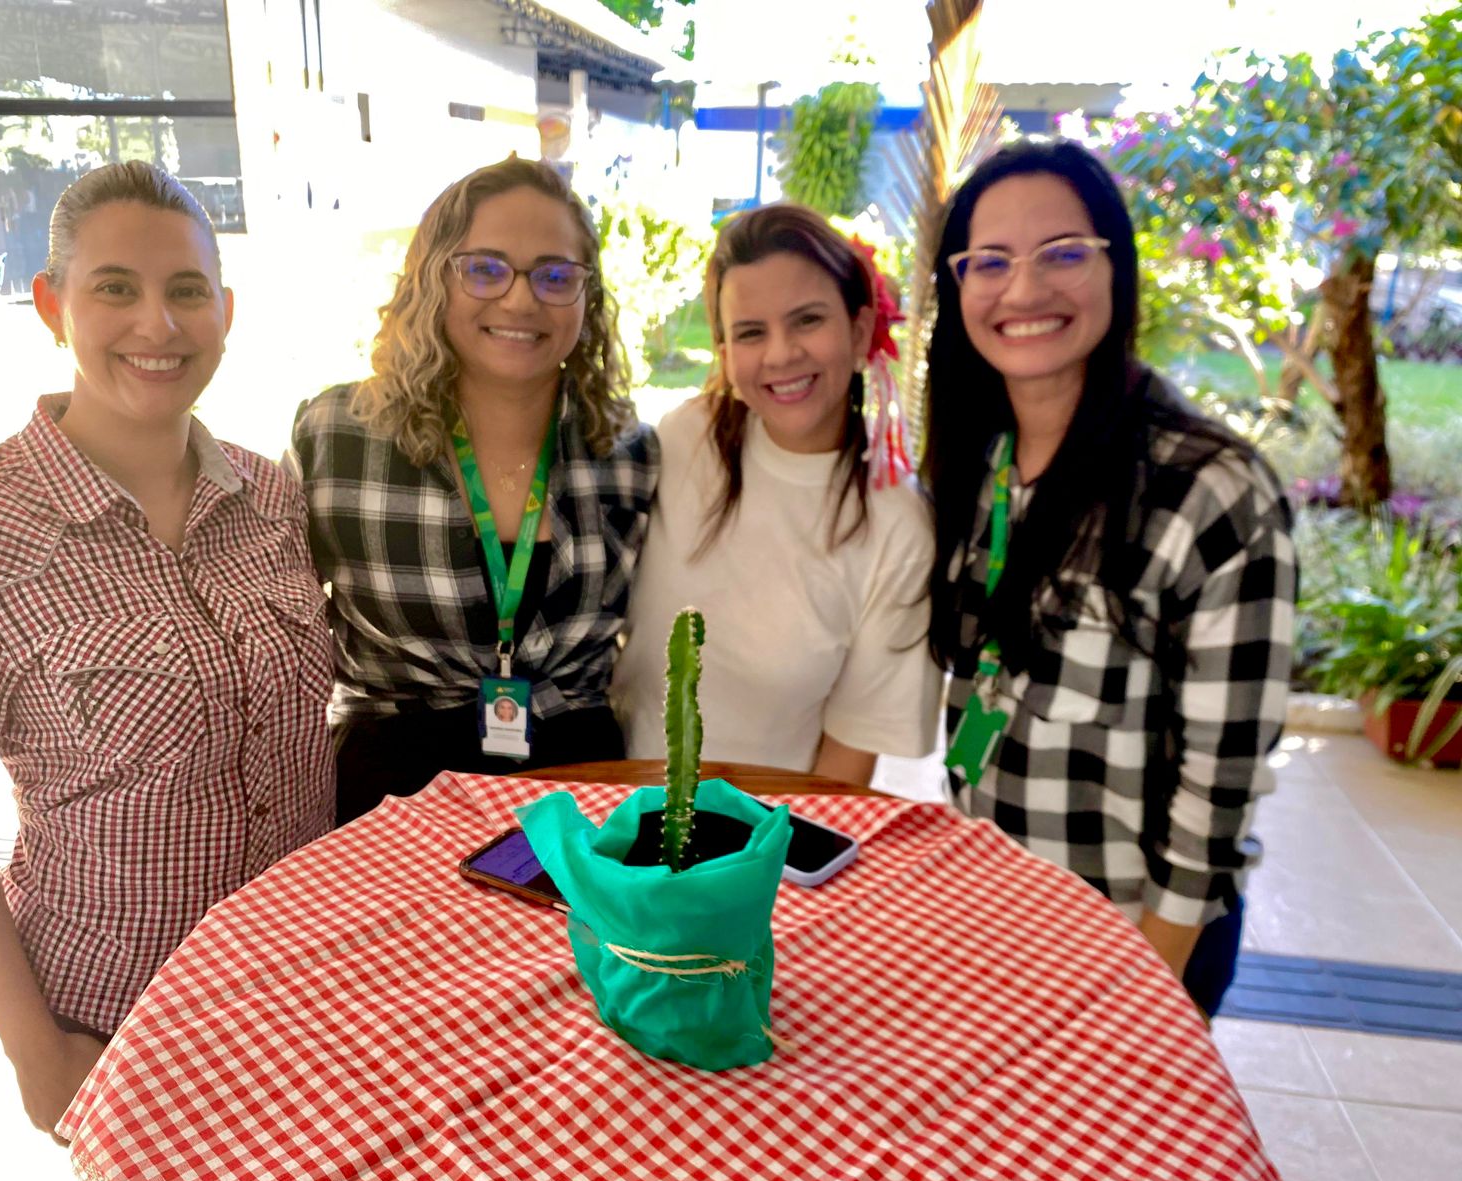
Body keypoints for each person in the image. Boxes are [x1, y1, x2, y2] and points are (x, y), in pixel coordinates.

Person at [0, 162, 335, 1137]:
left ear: (225, 311)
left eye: (187, 291)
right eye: (115, 288)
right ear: (52, 306)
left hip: (302, 986)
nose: (157, 325)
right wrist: (32, 1048)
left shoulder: (271, 499)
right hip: (116, 1016)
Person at [924, 137, 1295, 1015]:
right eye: (990, 262)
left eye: (1062, 254)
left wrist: (1145, 992)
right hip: (997, 913)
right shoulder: (983, 463)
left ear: (1116, 269)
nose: (1023, 291)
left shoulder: (1207, 491)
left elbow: (1219, 790)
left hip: (1134, 945)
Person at [290, 158, 657, 824]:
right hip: (394, 799)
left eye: (554, 276)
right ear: (432, 280)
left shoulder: (629, 453)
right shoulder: (338, 436)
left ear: (588, 297)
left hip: (580, 798)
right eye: (485, 269)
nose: (520, 301)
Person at [610, 204, 940, 785]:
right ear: (724, 352)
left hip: (767, 829)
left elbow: (846, 766)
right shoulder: (685, 440)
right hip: (606, 808)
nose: (781, 354)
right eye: (751, 332)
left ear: (859, 331)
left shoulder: (899, 525)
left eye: (807, 320)